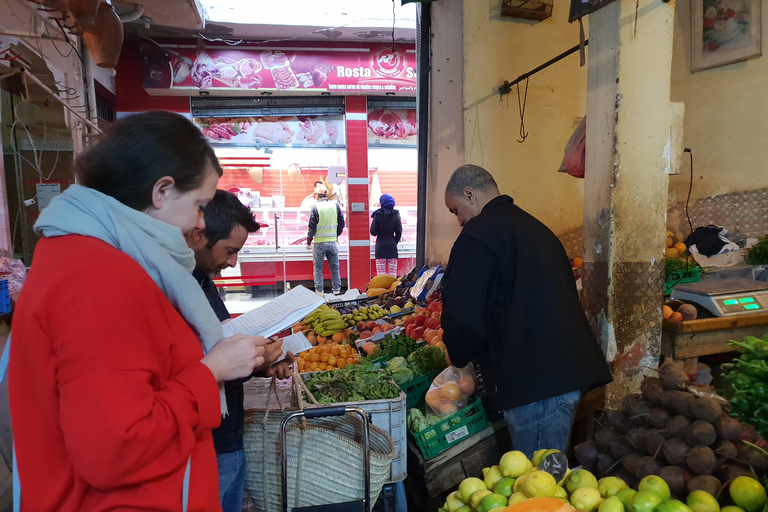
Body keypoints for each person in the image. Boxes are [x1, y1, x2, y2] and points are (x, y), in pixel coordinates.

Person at [8, 111, 272, 512]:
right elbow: (114, 447)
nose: (199, 223)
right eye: (199, 204)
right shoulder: (96, 276)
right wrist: (210, 372)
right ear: (162, 191)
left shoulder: (96, 258)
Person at [440, 164, 612, 458]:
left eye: (455, 210)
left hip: (536, 387)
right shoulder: (535, 228)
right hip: (560, 377)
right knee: (546, 477)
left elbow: (464, 316)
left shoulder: (478, 236)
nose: (458, 220)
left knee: (537, 486)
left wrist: (456, 353)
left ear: (470, 195)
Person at [186, 189, 294, 512]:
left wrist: (259, 365)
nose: (233, 263)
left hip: (228, 439)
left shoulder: (202, 283)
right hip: (211, 444)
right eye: (229, 251)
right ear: (199, 234)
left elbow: (217, 355)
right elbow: (202, 366)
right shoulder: (181, 289)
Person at [306, 185, 345, 295]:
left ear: (317, 195)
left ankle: (319, 291)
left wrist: (308, 241)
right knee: (335, 268)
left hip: (319, 243)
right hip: (332, 242)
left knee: (318, 268)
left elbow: (312, 226)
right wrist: (336, 235)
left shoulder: (315, 207)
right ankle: (336, 290)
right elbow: (342, 222)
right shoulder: (334, 205)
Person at [370, 193, 403, 276]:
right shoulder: (396, 214)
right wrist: (394, 241)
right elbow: (399, 231)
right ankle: (392, 289)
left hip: (380, 247)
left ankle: (382, 289)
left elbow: (373, 232)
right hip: (392, 246)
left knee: (381, 277)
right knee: (392, 276)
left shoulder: (378, 214)